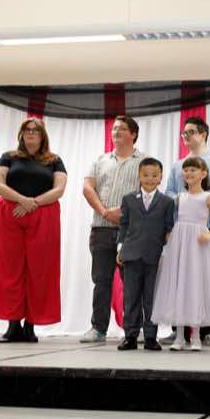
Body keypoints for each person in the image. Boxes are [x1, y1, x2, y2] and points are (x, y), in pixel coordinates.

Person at [0, 118, 67, 343]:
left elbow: (59, 189)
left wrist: (33, 202)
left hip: (43, 215)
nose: (31, 133)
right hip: (11, 214)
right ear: (21, 134)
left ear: (42, 135)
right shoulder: (8, 157)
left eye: (35, 130)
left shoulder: (54, 160)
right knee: (10, 269)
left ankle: (30, 326)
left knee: (40, 270)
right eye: (27, 130)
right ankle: (13, 326)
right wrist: (23, 200)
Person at [161, 116, 210, 347]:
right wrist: (182, 199)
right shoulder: (177, 165)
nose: (186, 136)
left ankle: (206, 330)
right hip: (180, 232)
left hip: (205, 230)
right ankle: (177, 329)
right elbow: (169, 191)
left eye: (190, 132)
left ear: (203, 134)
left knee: (203, 278)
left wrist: (198, 198)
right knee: (179, 278)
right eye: (184, 133)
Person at [81, 115, 145, 343]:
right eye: (114, 128)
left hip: (131, 232)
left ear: (133, 134)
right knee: (101, 281)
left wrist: (124, 213)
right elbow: (88, 187)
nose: (116, 132)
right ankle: (98, 328)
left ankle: (134, 329)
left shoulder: (144, 161)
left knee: (132, 282)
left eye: (122, 129)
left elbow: (148, 192)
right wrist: (105, 211)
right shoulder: (100, 160)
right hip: (101, 229)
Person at [151, 157, 210, 351]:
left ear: (203, 174)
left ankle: (196, 337)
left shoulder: (208, 197)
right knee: (180, 284)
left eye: (193, 170)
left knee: (196, 285)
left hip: (198, 244)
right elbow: (167, 217)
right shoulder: (179, 198)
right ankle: (180, 337)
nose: (189, 173)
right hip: (180, 243)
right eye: (186, 170)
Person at [115, 158, 176, 351]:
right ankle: (130, 336)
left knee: (151, 298)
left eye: (154, 175)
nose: (150, 179)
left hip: (154, 257)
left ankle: (150, 337)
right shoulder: (128, 199)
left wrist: (165, 253)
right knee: (131, 297)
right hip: (131, 255)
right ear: (139, 176)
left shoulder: (167, 202)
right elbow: (124, 225)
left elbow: (169, 228)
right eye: (146, 175)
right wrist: (120, 248)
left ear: (160, 178)